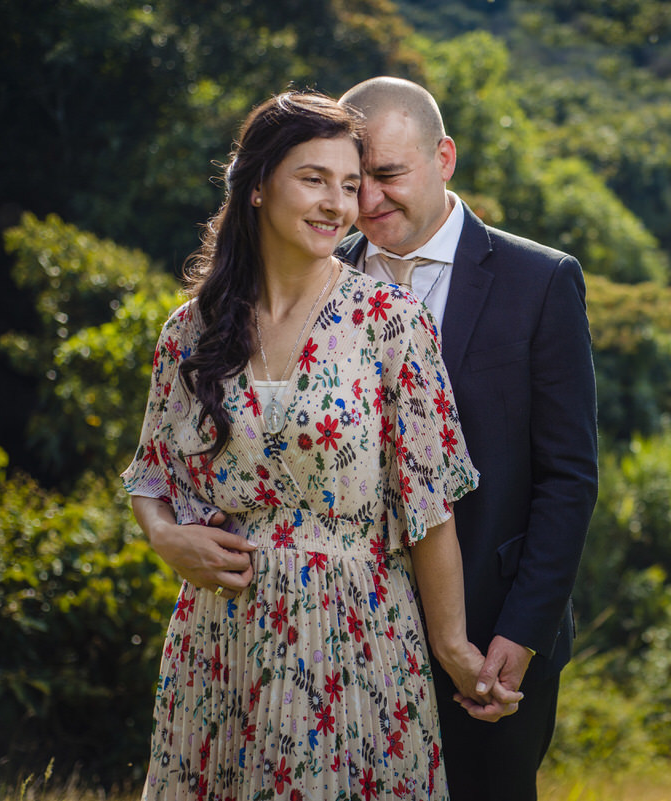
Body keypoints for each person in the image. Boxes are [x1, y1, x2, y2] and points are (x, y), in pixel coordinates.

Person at [123, 90, 491, 800]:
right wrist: (167, 539)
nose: (337, 204)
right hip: (220, 642)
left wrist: (453, 648)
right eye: (314, 179)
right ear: (257, 186)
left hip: (355, 636)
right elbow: (151, 475)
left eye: (349, 185)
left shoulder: (390, 321)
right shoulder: (189, 331)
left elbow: (429, 507)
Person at [335, 77, 599, 801]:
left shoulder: (540, 281)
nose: (367, 203)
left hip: (492, 634)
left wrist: (522, 632)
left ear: (444, 157)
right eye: (357, 182)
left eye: (389, 176)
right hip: (346, 633)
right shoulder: (322, 281)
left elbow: (569, 477)